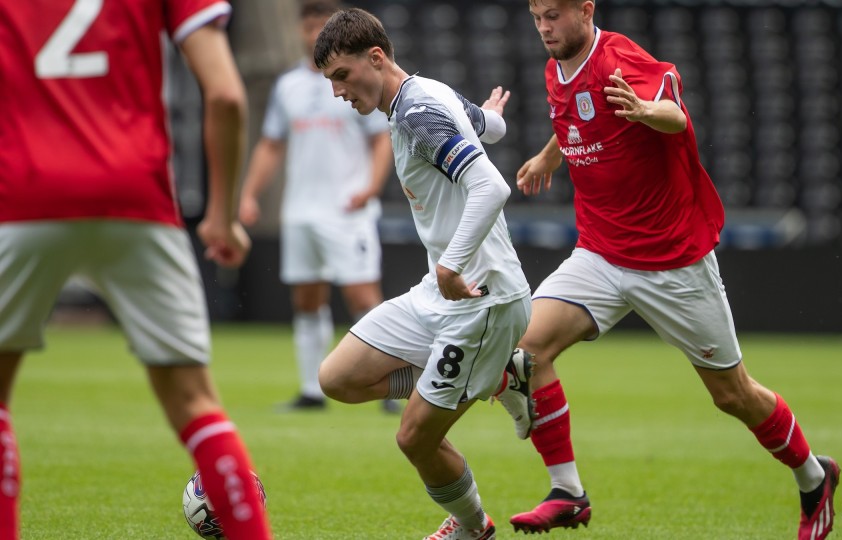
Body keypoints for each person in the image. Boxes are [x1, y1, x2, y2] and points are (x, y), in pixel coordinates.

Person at [501, 1, 841, 539]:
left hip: (671, 262)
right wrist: (549, 156)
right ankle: (568, 492)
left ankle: (814, 477)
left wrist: (642, 110)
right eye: (537, 16)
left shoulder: (620, 58)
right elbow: (577, 118)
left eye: (554, 16)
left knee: (734, 395)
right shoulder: (556, 68)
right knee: (524, 352)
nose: (544, 28)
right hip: (600, 254)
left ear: (586, 10)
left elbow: (674, 113)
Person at [0, 1, 272, 539]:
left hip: (25, 191)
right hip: (135, 193)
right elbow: (225, 94)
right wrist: (220, 215)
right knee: (196, 403)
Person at [312, 8, 533, 540]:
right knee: (336, 378)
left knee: (414, 438)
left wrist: (451, 264)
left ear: (376, 57)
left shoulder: (416, 112)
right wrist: (493, 118)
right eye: (330, 82)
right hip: (442, 294)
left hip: (482, 298)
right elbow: (487, 126)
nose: (339, 92)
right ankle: (500, 377)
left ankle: (471, 527)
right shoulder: (424, 92)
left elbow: (491, 188)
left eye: (342, 76)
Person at [238, 0, 398, 413]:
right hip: (301, 211)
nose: (312, 35)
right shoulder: (288, 86)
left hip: (347, 209)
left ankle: (391, 386)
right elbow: (271, 144)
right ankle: (312, 389)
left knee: (363, 297)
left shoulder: (353, 80)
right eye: (307, 28)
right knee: (307, 300)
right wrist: (249, 194)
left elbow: (381, 138)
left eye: (319, 28)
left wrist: (370, 188)